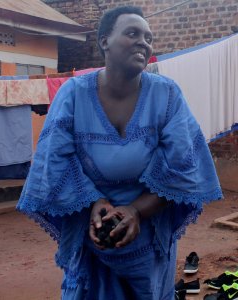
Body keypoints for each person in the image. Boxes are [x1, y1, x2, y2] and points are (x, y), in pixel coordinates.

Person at [17, 6, 223, 300]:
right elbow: (54, 162)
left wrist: (136, 211)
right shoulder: (73, 94)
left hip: (148, 235)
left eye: (148, 37)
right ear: (104, 41)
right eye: (132, 33)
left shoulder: (167, 95)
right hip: (94, 232)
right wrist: (94, 202)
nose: (143, 41)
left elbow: (183, 166)